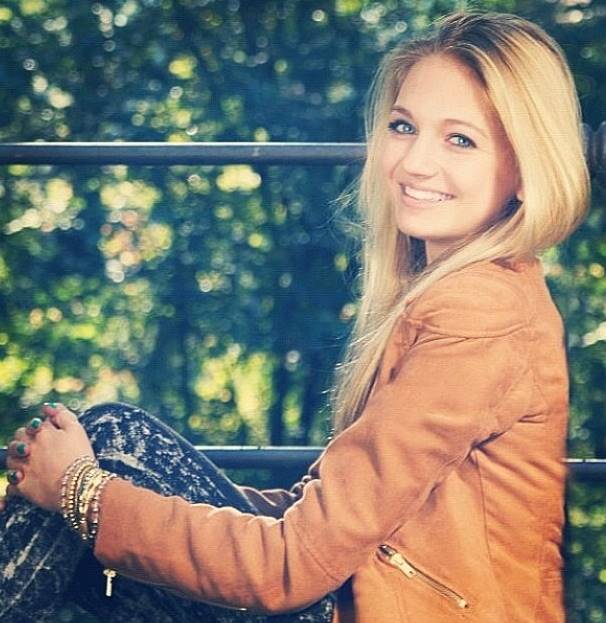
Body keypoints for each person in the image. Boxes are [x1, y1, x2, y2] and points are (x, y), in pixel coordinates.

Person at [0, 10, 590, 623]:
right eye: (403, 126)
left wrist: (79, 487)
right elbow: (319, 527)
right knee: (99, 492)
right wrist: (93, 493)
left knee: (111, 445)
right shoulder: (461, 292)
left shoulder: (480, 316)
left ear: (526, 171)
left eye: (460, 140)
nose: (414, 163)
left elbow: (290, 565)